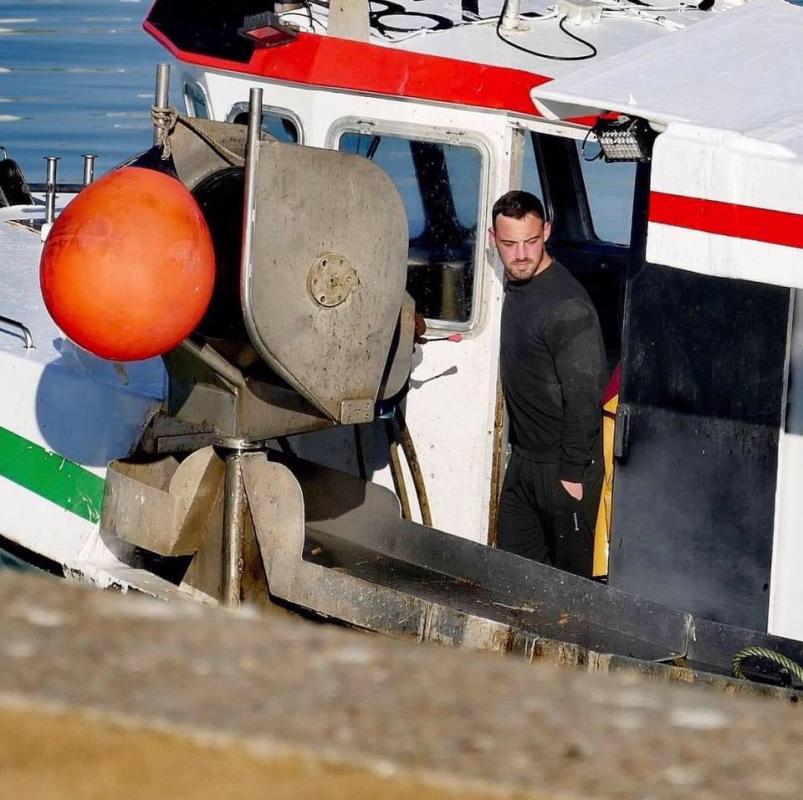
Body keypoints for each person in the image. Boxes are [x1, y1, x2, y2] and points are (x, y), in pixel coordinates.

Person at [490, 190, 606, 578]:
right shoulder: (509, 286)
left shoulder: (566, 305)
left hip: (565, 467)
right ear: (494, 240)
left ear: (548, 233)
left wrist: (571, 475)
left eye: (531, 241)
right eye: (509, 244)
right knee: (511, 579)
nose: (521, 255)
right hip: (523, 461)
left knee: (569, 594)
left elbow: (585, 396)